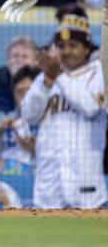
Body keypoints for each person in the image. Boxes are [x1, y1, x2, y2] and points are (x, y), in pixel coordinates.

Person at [21, 16, 106, 209]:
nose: (66, 51)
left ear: (86, 48)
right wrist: (45, 84)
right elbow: (29, 115)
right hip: (49, 186)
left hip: (87, 186)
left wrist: (59, 76)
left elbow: (91, 107)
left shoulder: (99, 74)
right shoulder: (45, 77)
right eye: (61, 46)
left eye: (73, 45)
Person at [0, 64, 41, 175]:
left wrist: (35, 150)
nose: (25, 96)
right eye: (20, 92)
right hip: (6, 178)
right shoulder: (7, 122)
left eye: (30, 91)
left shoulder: (51, 123)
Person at [0, 36, 39, 113]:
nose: (19, 60)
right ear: (8, 59)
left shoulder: (42, 82)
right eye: (15, 56)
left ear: (35, 61)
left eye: (25, 57)